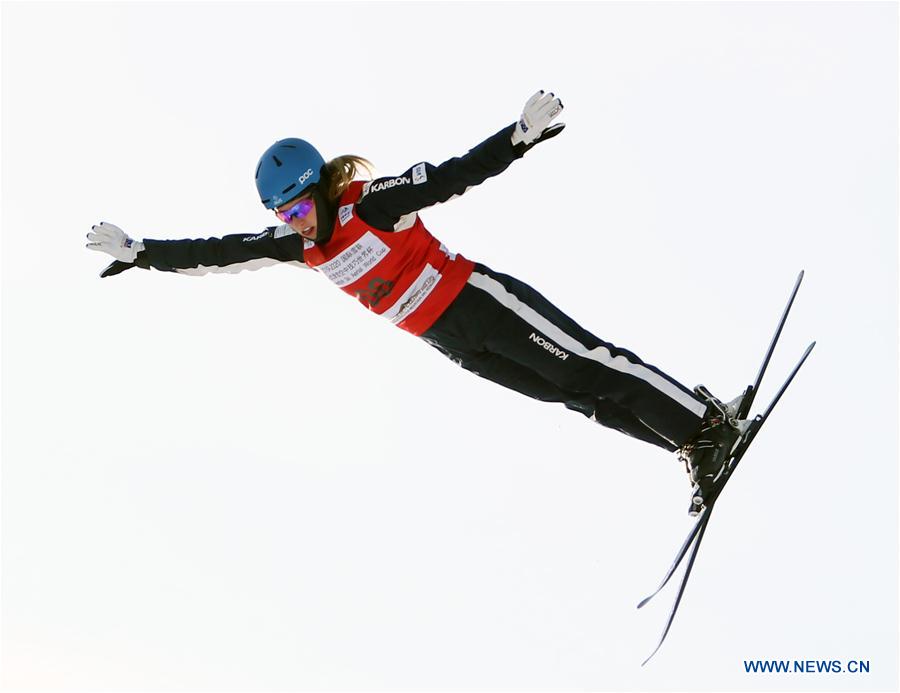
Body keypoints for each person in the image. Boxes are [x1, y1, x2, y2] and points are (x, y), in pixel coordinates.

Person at [87, 90, 743, 514]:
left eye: (295, 205)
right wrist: (142, 251)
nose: (293, 220)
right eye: (280, 212)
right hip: (454, 343)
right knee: (574, 397)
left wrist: (515, 138)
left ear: (317, 188)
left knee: (589, 364)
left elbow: (452, 175)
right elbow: (220, 251)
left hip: (480, 303)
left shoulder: (370, 204)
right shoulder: (299, 246)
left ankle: (707, 423)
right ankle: (691, 443)